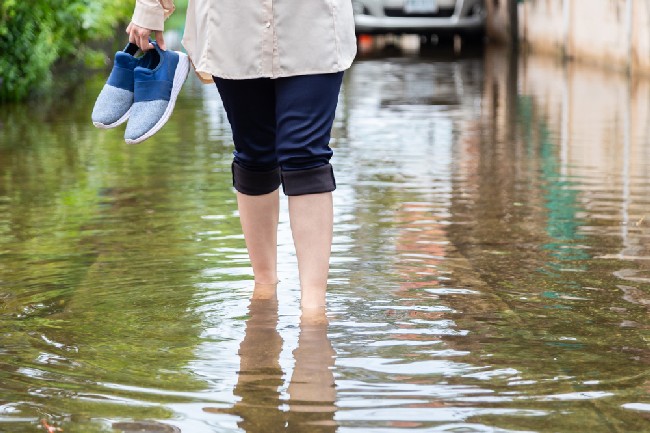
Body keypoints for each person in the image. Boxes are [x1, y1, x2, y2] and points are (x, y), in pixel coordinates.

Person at [127, 1, 357, 310]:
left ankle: (314, 306)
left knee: (305, 154)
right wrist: (150, 9)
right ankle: (264, 285)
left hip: (311, 21)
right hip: (231, 24)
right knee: (254, 152)